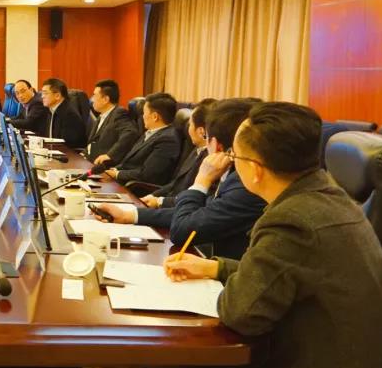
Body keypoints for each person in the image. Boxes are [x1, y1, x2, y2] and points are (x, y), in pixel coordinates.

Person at [152, 102, 382, 368]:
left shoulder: (290, 219)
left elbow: (241, 313)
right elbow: (291, 274)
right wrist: (215, 268)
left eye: (235, 157)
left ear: (256, 169)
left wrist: (228, 286)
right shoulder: (329, 196)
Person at [95, 98, 266, 260]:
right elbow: (201, 213)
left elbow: (183, 229)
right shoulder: (233, 176)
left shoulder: (243, 185)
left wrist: (201, 182)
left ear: (215, 145)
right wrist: (129, 215)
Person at [142, 98, 216, 209]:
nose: (188, 129)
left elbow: (194, 198)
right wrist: (153, 196)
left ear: (201, 132)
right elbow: (176, 183)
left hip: (178, 210)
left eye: (190, 124)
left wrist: (160, 201)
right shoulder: (197, 149)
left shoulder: (211, 161)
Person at [104, 92, 180, 185]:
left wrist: (118, 174)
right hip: (124, 179)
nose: (142, 116)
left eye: (144, 113)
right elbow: (130, 163)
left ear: (155, 117)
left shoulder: (168, 140)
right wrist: (116, 169)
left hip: (138, 188)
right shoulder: (150, 132)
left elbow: (148, 174)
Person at [86, 79, 139, 166]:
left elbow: (131, 133)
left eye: (95, 95)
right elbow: (94, 141)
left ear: (106, 99)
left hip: (105, 166)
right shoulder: (102, 115)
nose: (92, 99)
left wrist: (110, 155)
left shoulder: (119, 113)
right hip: (91, 162)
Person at [37, 78, 87, 148]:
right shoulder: (50, 111)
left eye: (45, 93)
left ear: (57, 96)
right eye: (42, 93)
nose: (42, 96)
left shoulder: (69, 114)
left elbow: (67, 143)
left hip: (68, 153)